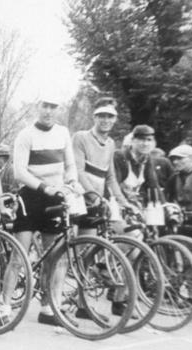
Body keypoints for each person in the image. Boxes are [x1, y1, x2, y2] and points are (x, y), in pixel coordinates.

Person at [10, 94, 82, 326]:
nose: (48, 111)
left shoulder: (62, 133)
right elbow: (19, 172)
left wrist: (71, 180)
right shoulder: (26, 135)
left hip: (56, 196)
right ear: (36, 106)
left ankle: (51, 309)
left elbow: (70, 164)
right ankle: (3, 306)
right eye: (45, 106)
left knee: (57, 257)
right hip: (31, 197)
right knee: (19, 256)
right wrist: (44, 188)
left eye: (53, 106)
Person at [71, 97, 133, 317]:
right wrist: (95, 197)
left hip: (97, 201)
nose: (106, 120)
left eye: (110, 116)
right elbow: (78, 172)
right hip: (80, 199)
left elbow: (111, 178)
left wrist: (124, 201)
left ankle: (86, 297)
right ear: (94, 117)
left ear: (115, 119)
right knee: (78, 252)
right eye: (102, 115)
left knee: (124, 237)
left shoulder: (111, 144)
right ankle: (70, 302)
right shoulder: (81, 137)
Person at [113, 125, 163, 204]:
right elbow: (113, 184)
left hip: (135, 204)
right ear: (132, 140)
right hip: (117, 202)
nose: (145, 143)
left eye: (149, 140)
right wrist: (126, 204)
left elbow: (153, 185)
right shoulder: (120, 156)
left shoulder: (147, 158)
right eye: (141, 139)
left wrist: (165, 207)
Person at [165, 144, 192, 236]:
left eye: (180, 158)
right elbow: (167, 199)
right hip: (182, 220)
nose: (175, 162)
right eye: (173, 159)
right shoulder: (173, 178)